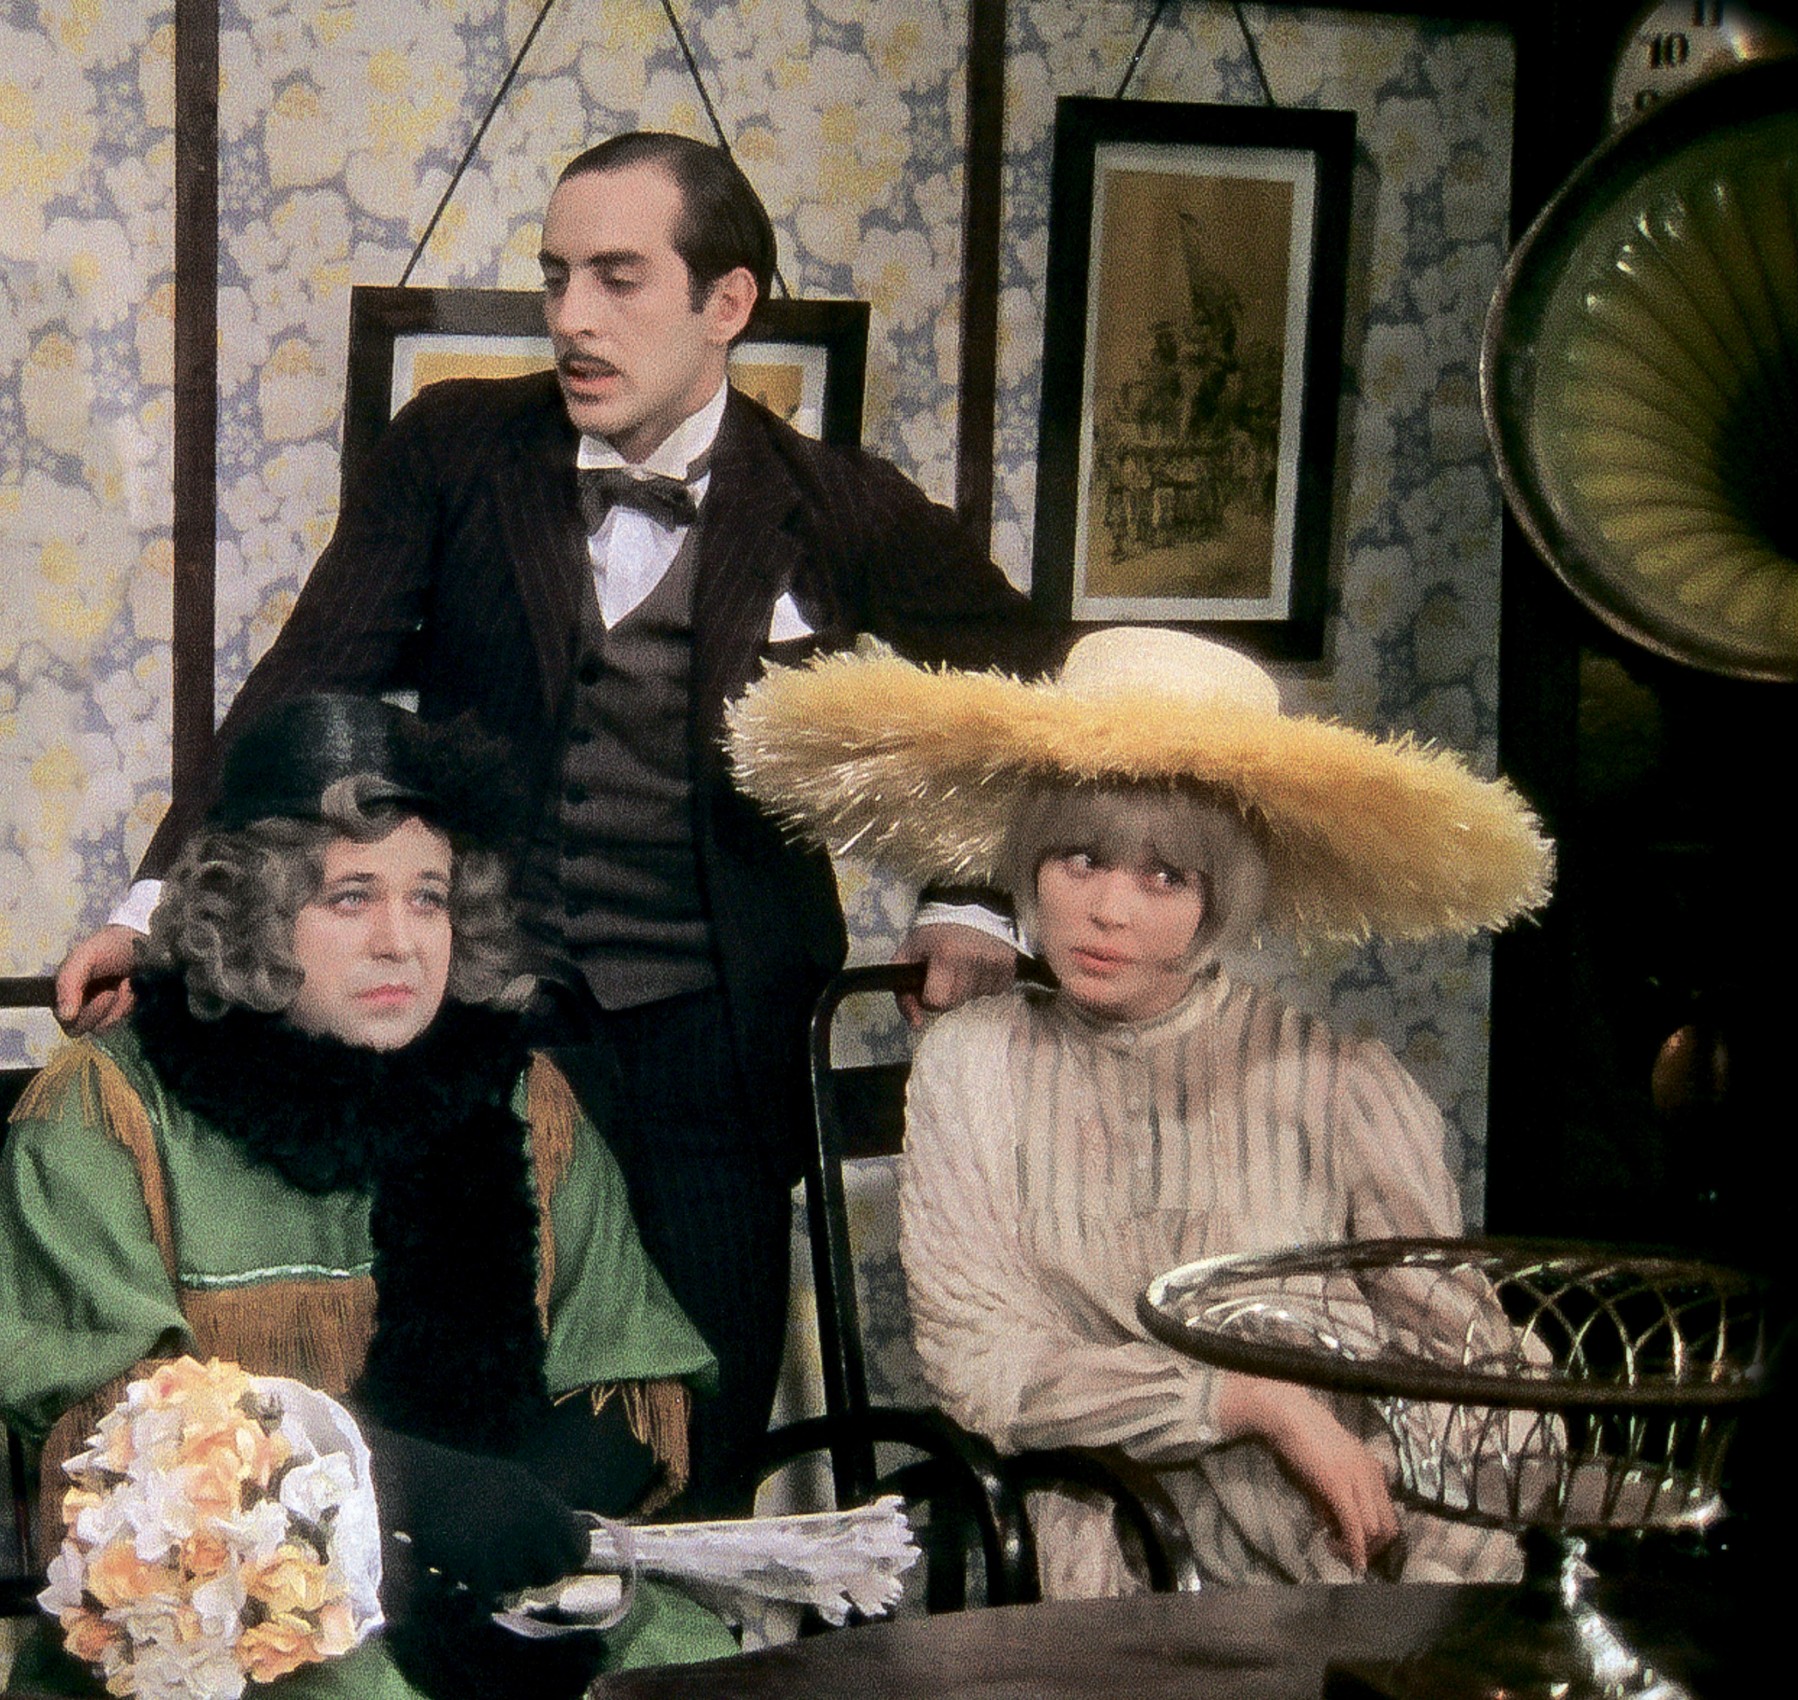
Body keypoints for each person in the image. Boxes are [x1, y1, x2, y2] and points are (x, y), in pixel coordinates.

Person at [52, 131, 1051, 1514]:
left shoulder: (832, 502)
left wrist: (969, 899)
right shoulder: (455, 450)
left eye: (617, 278)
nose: (573, 317)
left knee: (697, 1431)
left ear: (727, 302)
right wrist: (154, 907)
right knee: (476, 1433)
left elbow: (1027, 685)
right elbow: (310, 678)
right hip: (492, 1032)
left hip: (722, 1051)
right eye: (556, 276)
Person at [723, 626, 1554, 1597]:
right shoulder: (973, 1063)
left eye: (1165, 876)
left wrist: (1437, 1570)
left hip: (1352, 1537)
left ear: (1221, 897)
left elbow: (1466, 1367)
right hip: (1111, 1537)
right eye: (1079, 859)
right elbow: (983, 1368)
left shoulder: (1340, 1084)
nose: (1109, 910)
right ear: (1029, 864)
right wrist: (1250, 1400)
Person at [3, 694, 734, 1695]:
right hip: (232, 1614)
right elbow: (122, 1452)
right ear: (250, 913)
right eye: (351, 897)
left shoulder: (520, 1096)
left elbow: (628, 1369)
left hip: (495, 1589)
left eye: (428, 896)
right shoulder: (108, 1112)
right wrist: (404, 1494)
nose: (401, 941)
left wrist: (519, 1516)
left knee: (700, 1667)